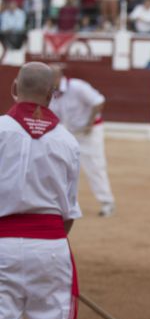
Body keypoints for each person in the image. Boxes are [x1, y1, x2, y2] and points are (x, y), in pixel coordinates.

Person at [0, 62, 81, 319]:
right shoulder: (66, 141)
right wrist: (41, 254)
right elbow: (67, 216)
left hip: (1, 248)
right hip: (50, 248)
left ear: (14, 87)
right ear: (52, 95)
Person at [49, 66, 116, 217]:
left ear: (59, 76)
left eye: (51, 77)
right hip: (70, 133)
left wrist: (89, 123)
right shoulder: (51, 94)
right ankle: (60, 204)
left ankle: (107, 202)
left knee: (95, 166)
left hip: (90, 132)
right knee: (61, 166)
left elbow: (99, 101)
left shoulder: (77, 87)